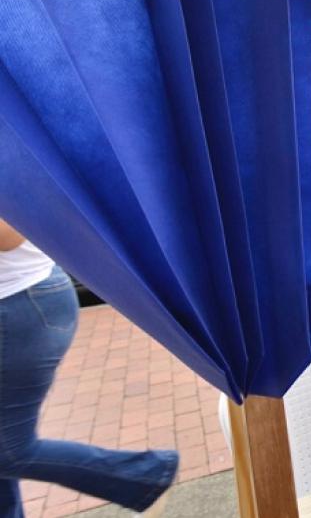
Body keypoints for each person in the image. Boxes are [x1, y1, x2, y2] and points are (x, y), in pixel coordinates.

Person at [0, 218, 179, 516]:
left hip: (18, 308)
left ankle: (144, 476)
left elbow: (9, 234)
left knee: (8, 450)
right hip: (25, 303)